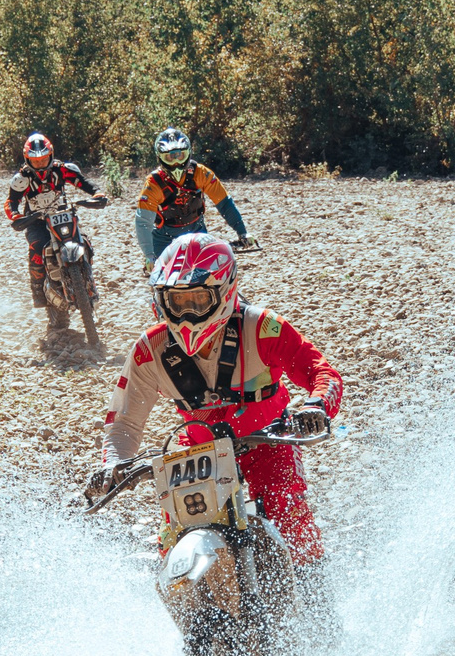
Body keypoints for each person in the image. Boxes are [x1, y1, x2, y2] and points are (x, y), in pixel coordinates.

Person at [87, 231, 342, 561]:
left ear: (224, 291)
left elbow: (322, 373)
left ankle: (313, 583)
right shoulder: (150, 349)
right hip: (197, 449)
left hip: (270, 441)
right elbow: (124, 423)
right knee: (173, 538)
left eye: (197, 300)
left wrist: (317, 406)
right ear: (160, 300)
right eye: (176, 302)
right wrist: (113, 464)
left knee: (291, 521)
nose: (186, 314)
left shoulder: (263, 327)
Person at [4, 130, 107, 326]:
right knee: (37, 246)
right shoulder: (21, 179)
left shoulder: (63, 170)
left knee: (84, 241)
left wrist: (97, 193)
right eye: (36, 161)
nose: (40, 164)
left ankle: (87, 279)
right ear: (27, 160)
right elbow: (11, 202)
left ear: (50, 155)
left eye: (44, 159)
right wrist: (15, 216)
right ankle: (38, 290)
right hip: (36, 221)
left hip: (63, 215)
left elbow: (84, 183)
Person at [132, 127, 252, 269]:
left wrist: (242, 232)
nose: (176, 163)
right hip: (164, 239)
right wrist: (149, 255)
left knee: (211, 274)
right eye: (169, 157)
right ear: (160, 158)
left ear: (188, 153)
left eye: (180, 156)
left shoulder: (201, 173)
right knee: (161, 279)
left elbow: (224, 203)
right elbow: (143, 222)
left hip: (197, 234)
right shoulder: (153, 183)